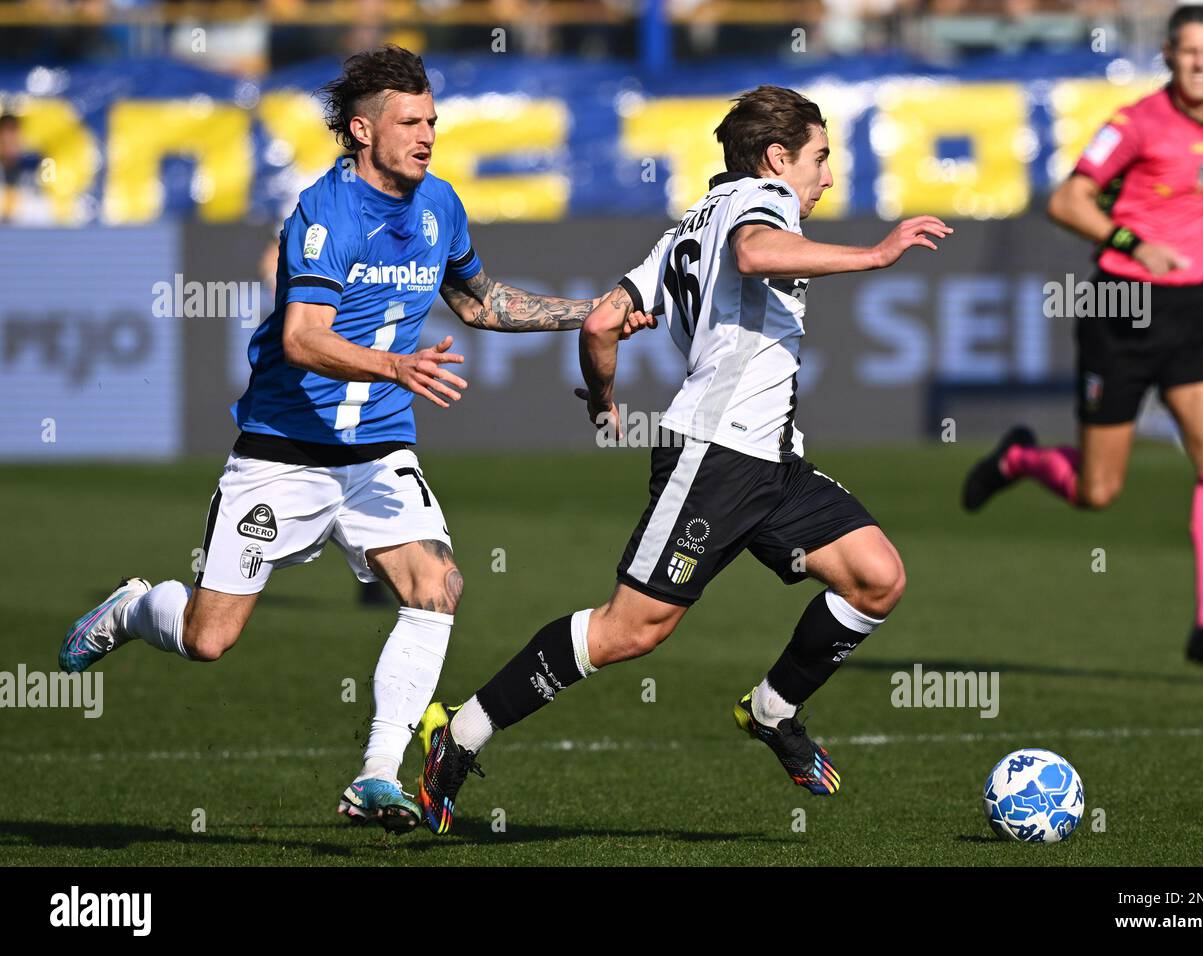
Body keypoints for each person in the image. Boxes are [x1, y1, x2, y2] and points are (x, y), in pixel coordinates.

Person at [58, 45, 649, 834]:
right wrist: (392, 364)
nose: (428, 133)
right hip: (284, 449)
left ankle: (377, 775)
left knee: (437, 585)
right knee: (209, 639)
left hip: (377, 452)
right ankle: (135, 609)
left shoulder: (440, 205)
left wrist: (592, 310)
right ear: (364, 131)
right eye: (410, 121)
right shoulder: (324, 213)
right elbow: (303, 338)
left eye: (433, 119)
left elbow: (479, 302)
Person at [414, 85, 952, 835]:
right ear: (775, 159)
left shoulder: (682, 230)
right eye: (820, 159)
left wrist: (604, 403)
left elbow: (603, 320)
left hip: (773, 462)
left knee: (877, 577)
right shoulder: (763, 203)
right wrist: (877, 253)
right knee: (630, 630)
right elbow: (755, 252)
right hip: (715, 458)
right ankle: (460, 732)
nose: (827, 177)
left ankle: (772, 710)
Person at [961, 5, 1203, 665]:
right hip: (1122, 304)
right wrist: (1134, 242)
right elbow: (1068, 200)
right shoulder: (1136, 124)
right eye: (1189, 52)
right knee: (1099, 492)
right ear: (1169, 55)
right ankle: (1020, 459)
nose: (1201, 63)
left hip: (1193, 314)